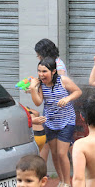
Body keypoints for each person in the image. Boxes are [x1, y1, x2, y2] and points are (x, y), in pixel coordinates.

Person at [29, 57, 82, 187]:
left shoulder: (63, 80)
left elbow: (78, 91)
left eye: (44, 71)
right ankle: (61, 180)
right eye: (39, 71)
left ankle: (67, 183)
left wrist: (68, 98)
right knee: (54, 153)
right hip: (50, 122)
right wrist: (32, 89)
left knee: (61, 153)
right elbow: (38, 102)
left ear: (53, 72)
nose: (41, 74)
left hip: (66, 121)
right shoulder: (40, 84)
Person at [34, 38, 68, 166]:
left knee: (60, 147)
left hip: (59, 111)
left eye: (39, 54)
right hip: (50, 109)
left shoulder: (58, 65)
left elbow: (59, 84)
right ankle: (42, 173)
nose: (38, 57)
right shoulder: (50, 64)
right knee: (46, 142)